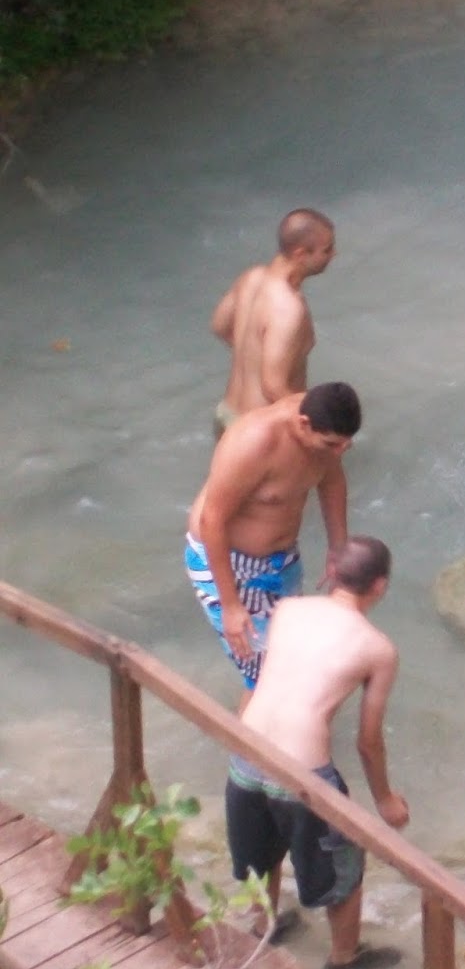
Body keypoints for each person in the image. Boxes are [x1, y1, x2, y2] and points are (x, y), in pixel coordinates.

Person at [225, 535, 408, 969]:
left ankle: (265, 926)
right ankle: (345, 957)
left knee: (259, 855)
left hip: (246, 756)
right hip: (302, 777)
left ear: (332, 572)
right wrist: (385, 800)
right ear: (379, 586)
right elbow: (368, 741)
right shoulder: (377, 648)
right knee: (343, 867)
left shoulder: (288, 609)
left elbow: (261, 676)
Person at [185, 382, 360, 699]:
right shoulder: (254, 441)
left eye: (345, 448)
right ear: (304, 424)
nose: (337, 454)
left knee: (291, 663)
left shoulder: (323, 434)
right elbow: (212, 520)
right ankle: (249, 749)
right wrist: (230, 605)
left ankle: (290, 742)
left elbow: (332, 482)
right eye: (331, 445)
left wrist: (338, 548)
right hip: (227, 561)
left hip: (281, 560)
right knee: (266, 681)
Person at [210, 208, 337, 437]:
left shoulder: (252, 277)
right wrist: (319, 426)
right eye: (326, 250)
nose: (334, 254)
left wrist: (253, 356)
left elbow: (219, 326)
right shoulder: (288, 309)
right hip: (260, 432)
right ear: (300, 254)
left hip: (227, 414)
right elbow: (273, 386)